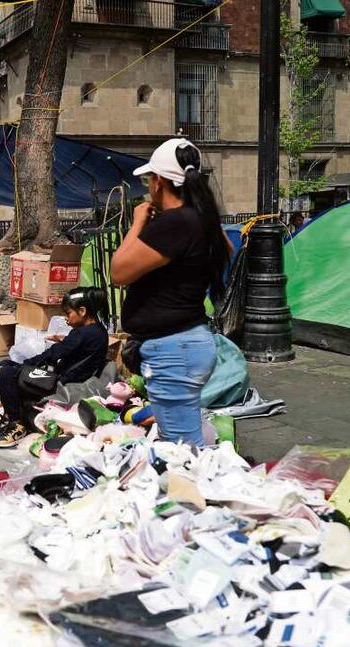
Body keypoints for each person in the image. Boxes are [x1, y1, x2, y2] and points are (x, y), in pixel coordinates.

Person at [111, 138, 230, 445]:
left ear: (159, 182)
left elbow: (118, 272)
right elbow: (226, 248)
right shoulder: (200, 218)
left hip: (173, 350)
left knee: (183, 453)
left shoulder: (175, 223)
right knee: (180, 443)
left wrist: (137, 224)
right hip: (187, 343)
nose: (148, 188)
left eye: (148, 180)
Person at [0, 287, 110, 445]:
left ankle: (16, 425)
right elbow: (72, 349)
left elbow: (53, 353)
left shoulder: (81, 334)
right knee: (7, 365)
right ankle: (22, 409)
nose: (66, 319)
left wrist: (22, 366)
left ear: (82, 311)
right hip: (72, 380)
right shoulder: (99, 331)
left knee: (5, 373)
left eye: (68, 313)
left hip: (61, 385)